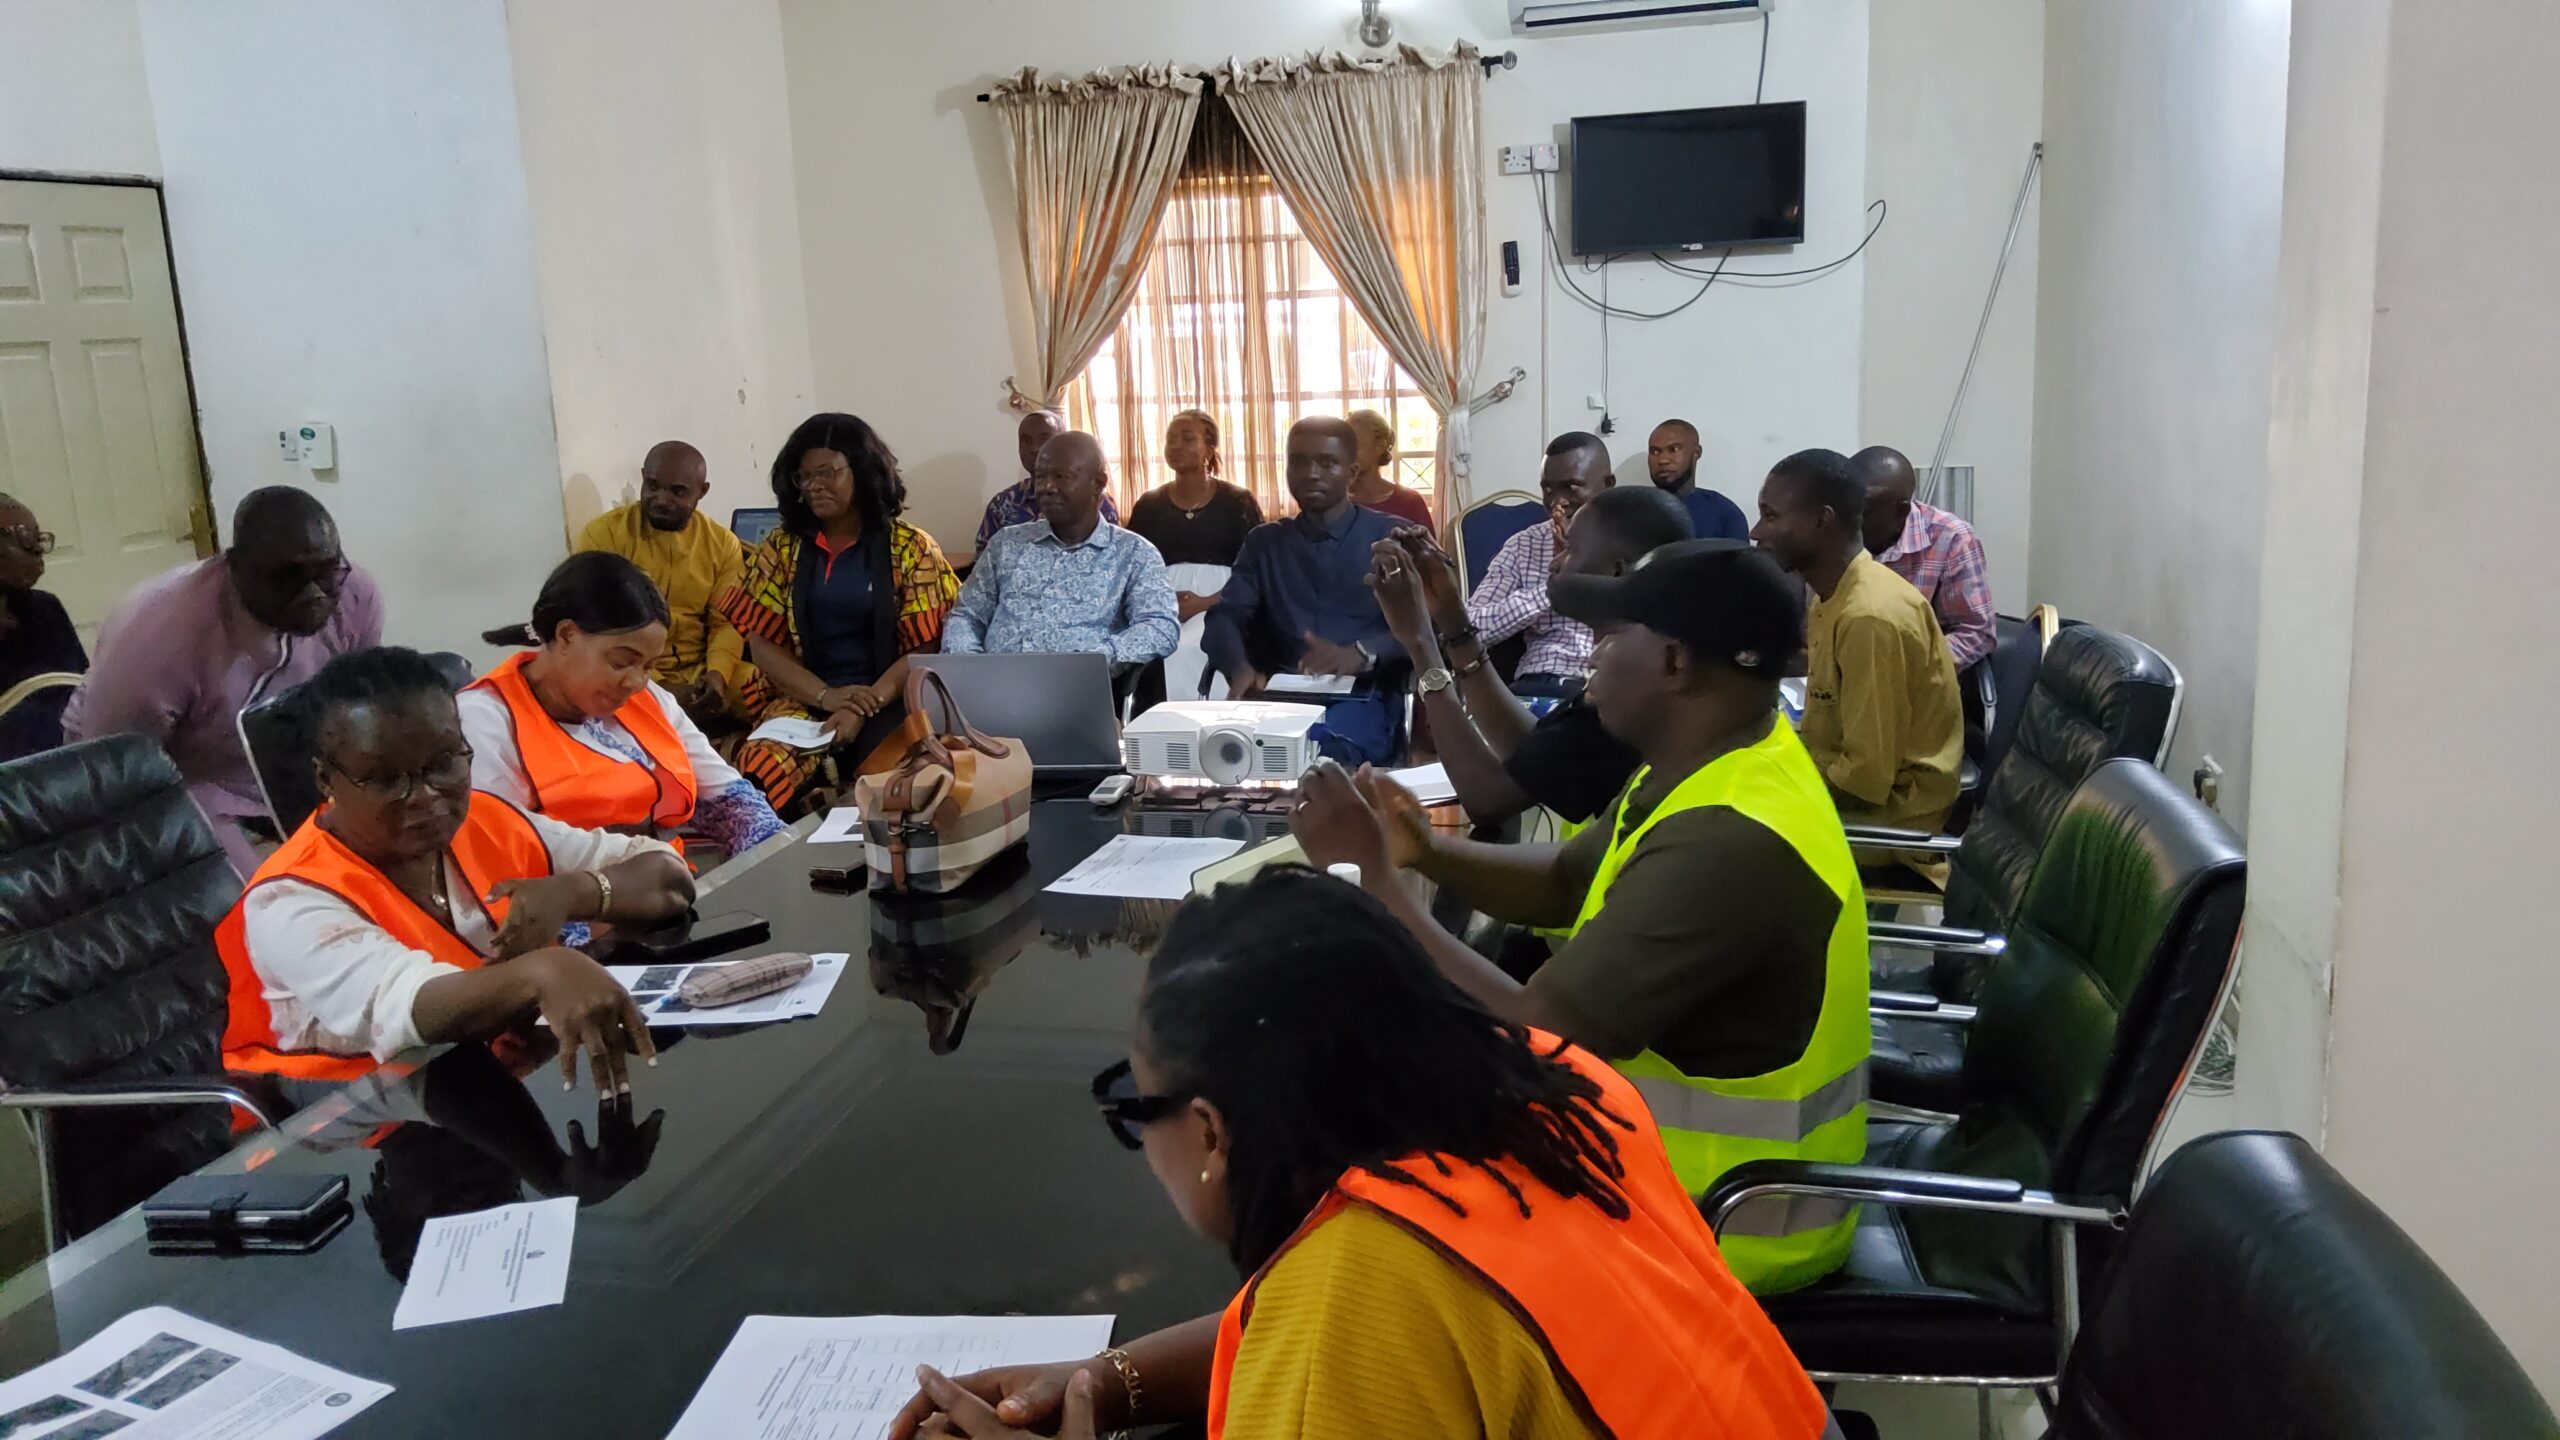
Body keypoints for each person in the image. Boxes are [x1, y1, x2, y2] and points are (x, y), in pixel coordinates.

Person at [889, 869, 1836, 1440]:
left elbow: (1356, 1322)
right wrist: (1105, 1380)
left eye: (1139, 1111)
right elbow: (1363, 1325)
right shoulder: (1559, 1089)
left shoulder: (1364, 1291)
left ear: (1210, 1132)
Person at [1289, 540, 1872, 1295]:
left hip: (1715, 1232)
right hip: (1646, 1176)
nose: (1591, 653)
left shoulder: (1732, 838)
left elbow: (1541, 1036)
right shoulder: (1715, 764)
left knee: (1364, 1215)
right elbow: (1567, 881)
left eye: (1613, 633)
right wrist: (1423, 853)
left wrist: (1375, 884)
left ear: (1674, 662)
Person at [214, 646, 695, 1094]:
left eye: (444, 763)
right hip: (351, 1119)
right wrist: (542, 971)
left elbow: (668, 875)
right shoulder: (288, 899)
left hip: (494, 1087)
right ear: (326, 779)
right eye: (385, 779)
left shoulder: (483, 818)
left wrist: (578, 891)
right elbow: (408, 1008)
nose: (425, 796)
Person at [67, 486, 386, 877]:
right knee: (251, 894)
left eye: (325, 571)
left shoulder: (355, 594)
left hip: (279, 759)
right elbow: (116, 769)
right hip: (178, 771)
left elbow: (357, 709)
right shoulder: (160, 635)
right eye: (287, 577)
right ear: (234, 567)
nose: (313, 592)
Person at [1371, 485, 1693, 829]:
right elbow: (1531, 751)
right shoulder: (1643, 652)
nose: (1554, 564)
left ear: (1618, 571)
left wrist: (1421, 642)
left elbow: (1489, 797)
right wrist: (1451, 617)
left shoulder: (1636, 679)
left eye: (1569, 550)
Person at [462, 552, 785, 862]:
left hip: (664, 883)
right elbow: (502, 850)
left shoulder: (647, 700)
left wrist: (775, 848)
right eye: (621, 662)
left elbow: (728, 796)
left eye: (648, 666)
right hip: (569, 895)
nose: (637, 682)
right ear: (567, 635)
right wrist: (628, 870)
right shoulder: (485, 721)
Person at [718, 413, 961, 813]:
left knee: (903, 782)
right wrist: (827, 697)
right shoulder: (781, 548)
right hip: (805, 696)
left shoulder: (911, 547)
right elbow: (762, 646)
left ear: (862, 471)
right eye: (804, 476)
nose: (814, 486)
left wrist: (864, 704)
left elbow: (927, 644)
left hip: (890, 697)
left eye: (827, 473)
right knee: (760, 771)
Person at [1753, 448, 1964, 834]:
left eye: (1770, 516)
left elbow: (1864, 781)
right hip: (1847, 791)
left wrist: (1768, 786)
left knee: (1718, 823)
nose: (1756, 532)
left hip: (1888, 821)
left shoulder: (1869, 616)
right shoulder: (1833, 593)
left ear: (1822, 520)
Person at [1202, 418, 1406, 765]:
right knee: (1222, 754)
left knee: (1321, 754)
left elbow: (1429, 627)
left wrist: (1363, 653)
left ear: (1352, 472)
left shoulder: (1390, 537)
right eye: (1298, 462)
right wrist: (1238, 667)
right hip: (1278, 697)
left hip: (1361, 697)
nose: (1311, 474)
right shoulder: (1264, 543)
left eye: (1326, 463)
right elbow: (1225, 617)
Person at [943, 432, 1180, 667]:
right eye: (1040, 477)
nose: (1047, 487)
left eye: (1061, 477)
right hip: (995, 681)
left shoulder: (1134, 553)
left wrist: (1096, 659)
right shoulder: (1006, 544)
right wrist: (970, 666)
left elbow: (1160, 626)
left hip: (1078, 684)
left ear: (1098, 483)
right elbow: (966, 615)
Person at [572, 440, 750, 728]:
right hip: (628, 671)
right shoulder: (605, 535)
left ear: (702, 491)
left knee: (763, 688)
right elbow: (600, 626)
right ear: (643, 477)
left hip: (700, 671)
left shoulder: (722, 544)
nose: (661, 499)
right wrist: (661, 687)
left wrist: (717, 676)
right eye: (653, 486)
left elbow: (727, 623)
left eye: (678, 492)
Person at [1125, 410, 1263, 707]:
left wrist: (1205, 603)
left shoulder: (1237, 501)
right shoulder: (1149, 505)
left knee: (1197, 644)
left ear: (1209, 449)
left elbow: (1256, 570)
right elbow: (1132, 569)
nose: (1176, 445)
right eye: (1170, 439)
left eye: (1187, 438)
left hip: (1224, 603)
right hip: (1162, 605)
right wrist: (1165, 603)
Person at [1465, 432, 1614, 701]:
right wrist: (1553, 585)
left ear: (1608, 485)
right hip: (1539, 683)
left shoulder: (1633, 539)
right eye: (1548, 490)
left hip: (1610, 687)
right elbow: (1471, 628)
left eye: (1571, 487)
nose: (1558, 502)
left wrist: (1581, 563)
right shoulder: (1525, 544)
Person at [1854, 445, 1998, 671]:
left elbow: (1976, 633)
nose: (1849, 518)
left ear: (1901, 512)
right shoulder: (1830, 529)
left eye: (1862, 510)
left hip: (1914, 677)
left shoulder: (1951, 537)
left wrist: (1901, 668)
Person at [0, 495, 87, 762]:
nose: (38, 549)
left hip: (70, 759)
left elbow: (83, 689)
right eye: (25, 538)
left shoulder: (46, 608)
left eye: (39, 538)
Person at [975, 409, 1119, 556]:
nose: (1034, 448)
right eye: (1026, 441)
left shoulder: (1095, 502)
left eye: (1044, 439)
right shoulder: (1002, 504)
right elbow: (984, 559)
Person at [1648, 419, 1752, 541]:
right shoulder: (1635, 511)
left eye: (1674, 450)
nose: (1662, 460)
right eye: (1655, 451)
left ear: (1696, 453)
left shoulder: (1725, 514)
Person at [1344, 408, 1434, 528]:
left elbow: (1426, 540)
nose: (1344, 451)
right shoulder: (1334, 503)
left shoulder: (1410, 502)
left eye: (1353, 443)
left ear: (1380, 446)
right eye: (1343, 443)